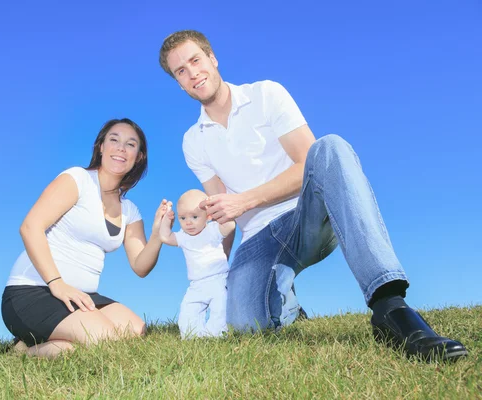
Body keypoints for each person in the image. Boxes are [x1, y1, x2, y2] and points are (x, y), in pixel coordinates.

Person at [158, 30, 468, 361]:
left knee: (329, 148)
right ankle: (286, 303)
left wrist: (246, 200)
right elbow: (225, 217)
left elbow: (308, 163)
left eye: (195, 61)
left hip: (307, 215)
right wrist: (221, 274)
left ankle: (389, 305)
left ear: (212, 58)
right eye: (181, 71)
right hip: (258, 239)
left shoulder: (265, 94)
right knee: (245, 322)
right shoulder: (193, 141)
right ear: (178, 82)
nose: (192, 73)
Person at [1, 118, 171, 358]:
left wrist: (157, 236)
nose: (121, 148)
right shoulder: (77, 179)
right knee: (108, 341)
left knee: (135, 332)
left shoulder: (130, 210)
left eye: (130, 144)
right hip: (33, 290)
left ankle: (29, 346)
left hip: (81, 295)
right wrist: (57, 283)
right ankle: (20, 354)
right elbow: (30, 227)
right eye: (114, 140)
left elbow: (140, 266)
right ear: (101, 147)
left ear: (139, 156)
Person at [159, 189, 235, 338]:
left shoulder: (213, 230)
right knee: (188, 309)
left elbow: (230, 226)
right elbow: (165, 237)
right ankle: (192, 337)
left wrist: (218, 209)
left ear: (208, 216)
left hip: (218, 279)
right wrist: (166, 220)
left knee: (220, 310)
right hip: (196, 284)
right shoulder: (183, 237)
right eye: (182, 218)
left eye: (194, 217)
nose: (188, 222)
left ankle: (216, 336)